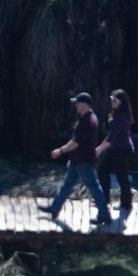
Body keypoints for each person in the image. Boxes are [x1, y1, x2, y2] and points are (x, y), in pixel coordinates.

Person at [42, 91, 111, 226]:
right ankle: (54, 208)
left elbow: (75, 143)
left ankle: (104, 215)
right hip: (77, 160)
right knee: (67, 185)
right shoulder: (88, 118)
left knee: (94, 187)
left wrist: (60, 151)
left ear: (85, 104)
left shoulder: (88, 121)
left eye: (77, 103)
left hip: (84, 161)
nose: (75, 106)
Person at [101, 88, 138, 212]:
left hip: (122, 149)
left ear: (121, 102)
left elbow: (111, 137)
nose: (112, 102)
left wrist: (98, 149)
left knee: (121, 176)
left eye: (114, 100)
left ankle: (126, 204)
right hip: (115, 148)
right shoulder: (116, 114)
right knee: (102, 170)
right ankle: (105, 199)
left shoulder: (122, 117)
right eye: (111, 99)